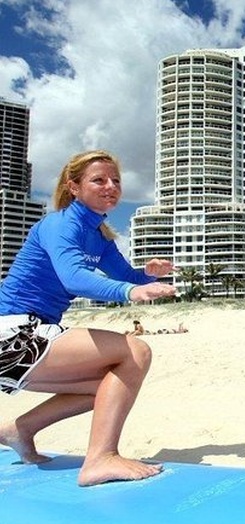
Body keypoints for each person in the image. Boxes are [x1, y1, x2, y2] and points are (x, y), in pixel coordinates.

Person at [0, 150, 177, 486]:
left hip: (35, 332)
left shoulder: (100, 236)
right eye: (99, 180)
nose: (111, 186)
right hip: (11, 332)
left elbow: (124, 273)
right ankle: (100, 459)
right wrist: (128, 291)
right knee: (135, 352)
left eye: (116, 181)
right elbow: (74, 277)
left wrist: (145, 274)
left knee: (110, 387)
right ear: (74, 187)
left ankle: (19, 429)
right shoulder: (60, 223)